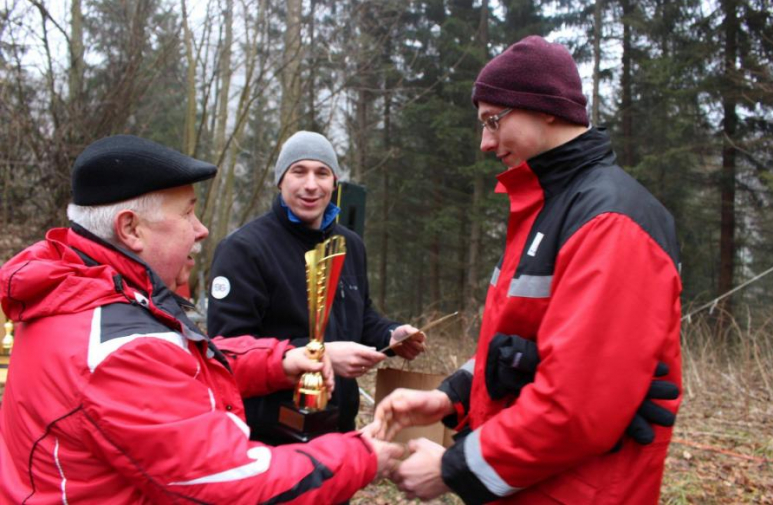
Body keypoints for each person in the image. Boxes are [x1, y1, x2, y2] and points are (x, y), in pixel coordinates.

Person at [0, 135, 403, 503]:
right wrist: (362, 455)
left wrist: (279, 361)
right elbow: (232, 481)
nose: (201, 230)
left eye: (322, 173)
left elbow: (181, 360)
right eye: (188, 213)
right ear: (130, 228)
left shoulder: (85, 291)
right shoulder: (117, 349)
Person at [368, 36, 683, 504]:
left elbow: (578, 406)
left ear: (548, 108)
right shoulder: (545, 205)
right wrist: (450, 397)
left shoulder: (610, 220)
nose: (485, 143)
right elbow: (518, 345)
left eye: (493, 121)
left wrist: (453, 469)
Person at [207, 130, 425, 444]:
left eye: (322, 173)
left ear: (334, 182)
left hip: (339, 430)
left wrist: (390, 335)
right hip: (270, 438)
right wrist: (319, 355)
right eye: (299, 171)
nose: (311, 185)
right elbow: (227, 351)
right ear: (280, 180)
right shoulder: (243, 249)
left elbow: (360, 317)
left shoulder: (350, 245)